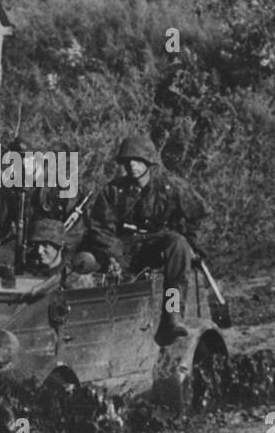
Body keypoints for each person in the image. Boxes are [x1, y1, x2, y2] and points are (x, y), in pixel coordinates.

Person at [81, 134, 207, 340]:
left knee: (178, 245)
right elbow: (100, 228)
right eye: (127, 160)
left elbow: (199, 212)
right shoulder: (113, 191)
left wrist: (191, 241)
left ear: (148, 161)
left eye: (137, 160)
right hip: (124, 247)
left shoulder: (170, 187)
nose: (132, 165)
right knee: (84, 261)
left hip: (159, 245)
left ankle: (172, 315)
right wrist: (113, 255)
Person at [0, 137, 84, 275]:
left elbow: (77, 226)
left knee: (66, 276)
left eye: (27, 158)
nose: (22, 163)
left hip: (55, 245)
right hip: (22, 243)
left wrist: (63, 248)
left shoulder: (59, 185)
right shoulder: (12, 188)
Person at [22, 219, 101, 289]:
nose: (39, 251)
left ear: (60, 246)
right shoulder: (25, 273)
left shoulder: (78, 279)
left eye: (45, 245)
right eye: (35, 245)